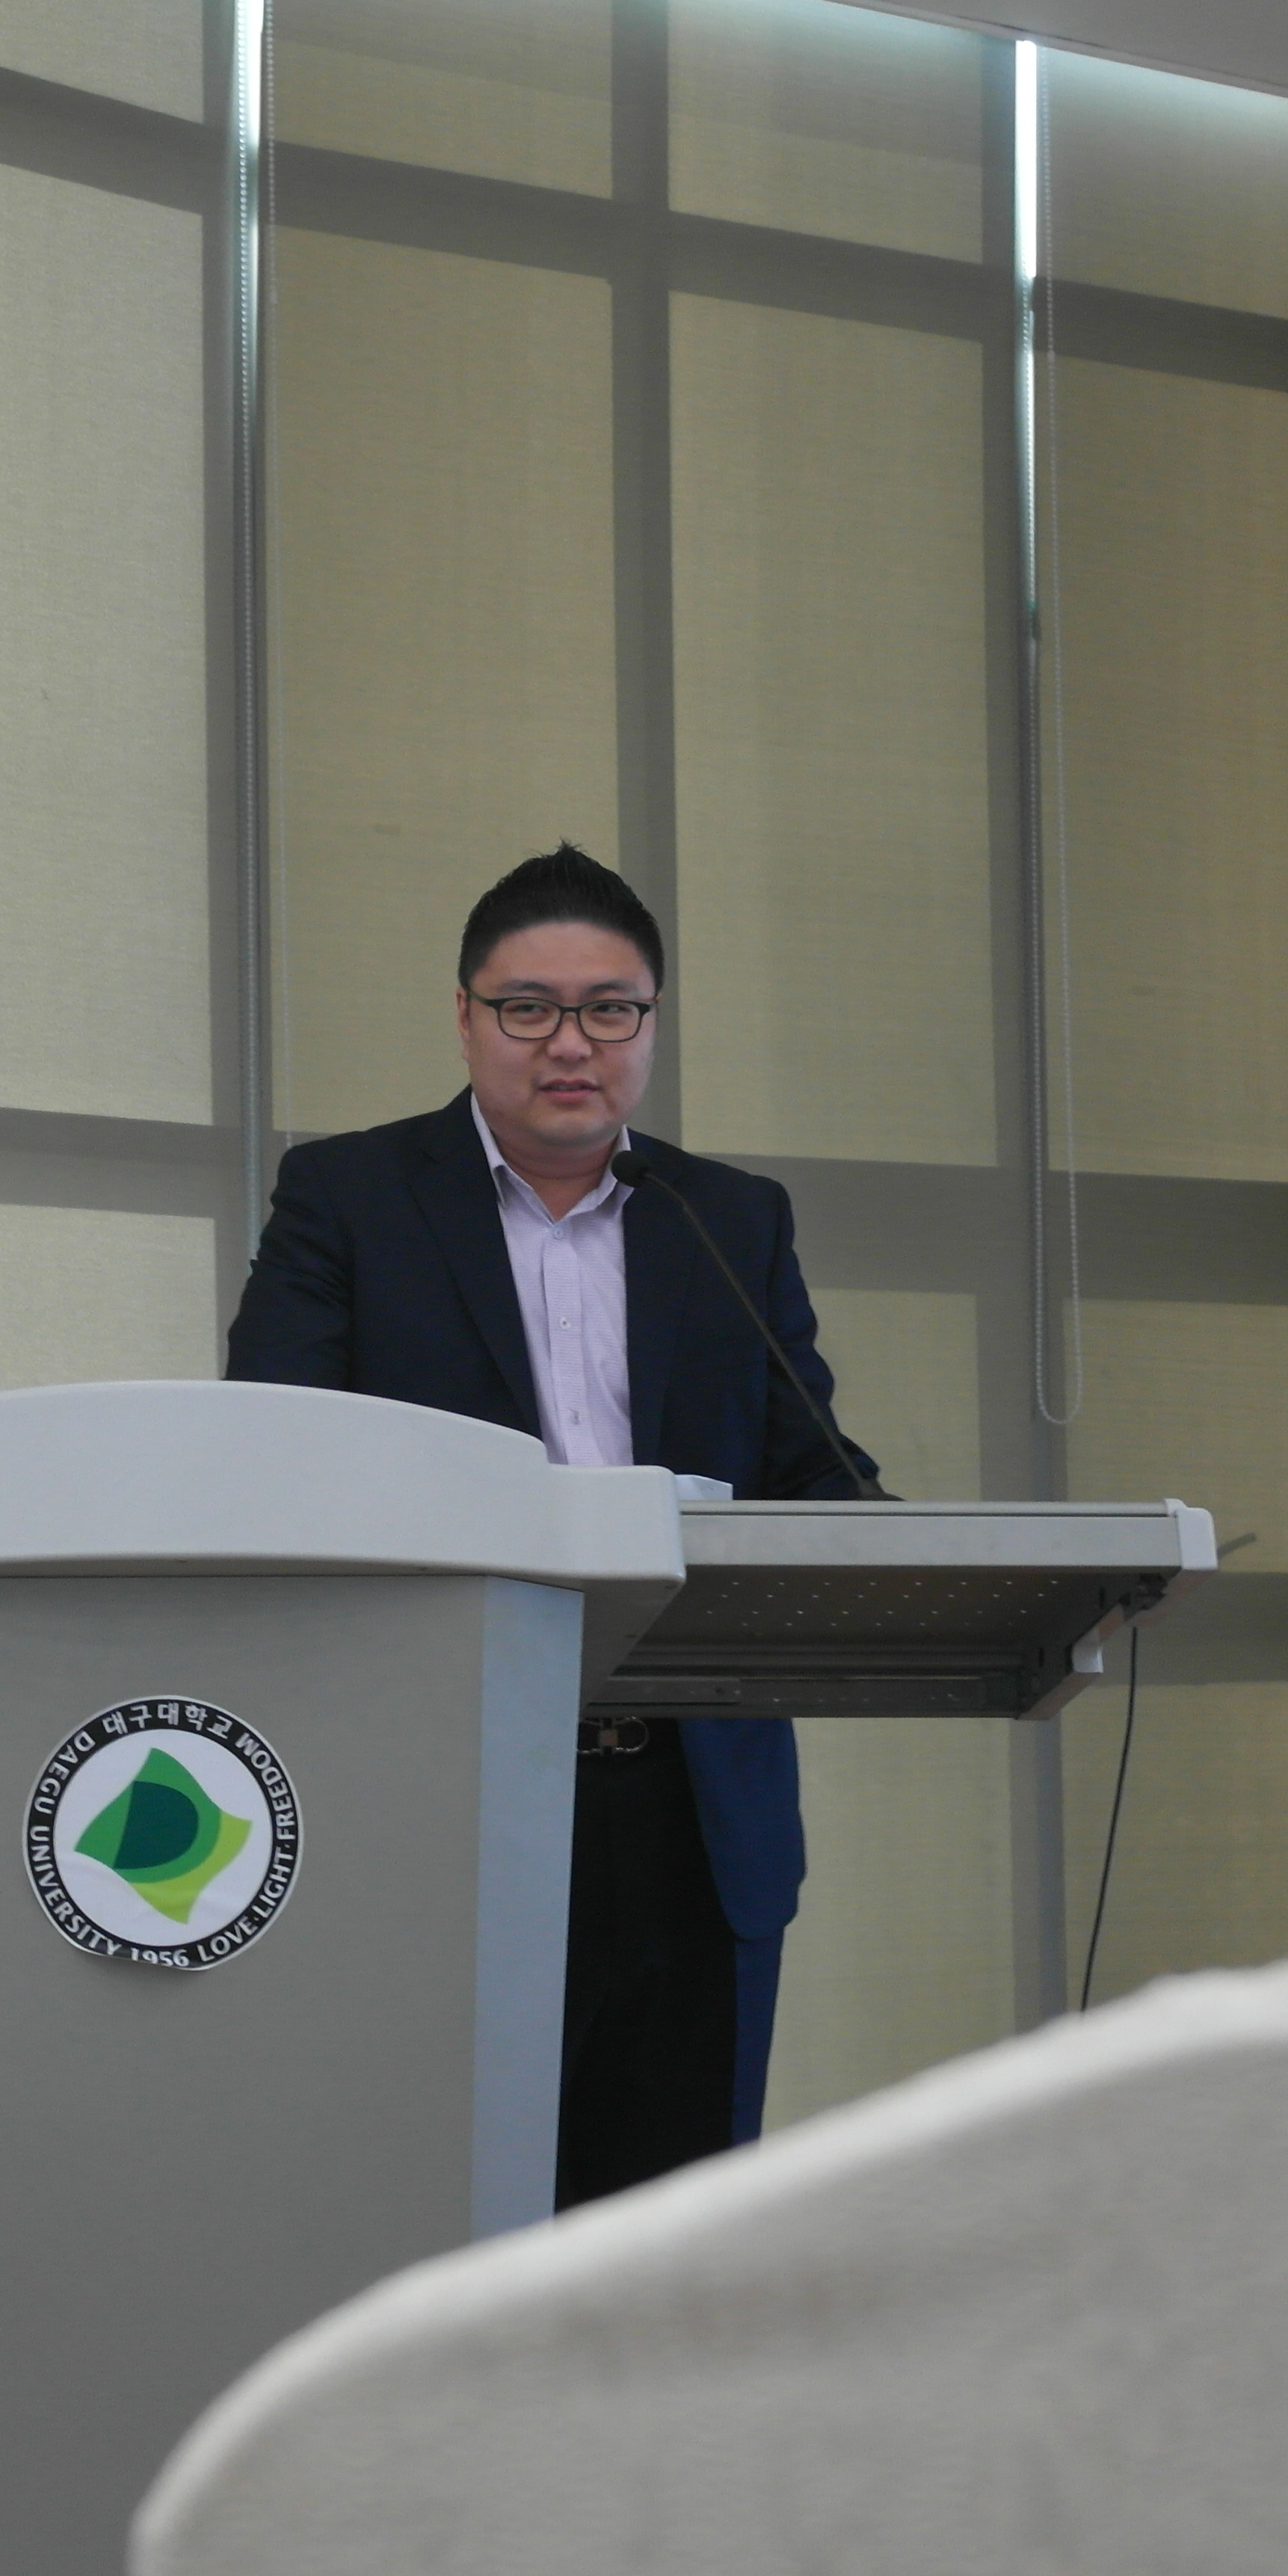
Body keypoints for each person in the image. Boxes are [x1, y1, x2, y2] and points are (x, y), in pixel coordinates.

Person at [225, 843, 881, 2207]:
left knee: (672, 2233)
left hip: (693, 1805)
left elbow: (813, 1471)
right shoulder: (351, 1199)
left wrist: (898, 1549)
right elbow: (273, 1464)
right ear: (466, 1019)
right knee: (452, 2208)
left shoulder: (729, 1218)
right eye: (528, 1008)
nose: (571, 1044)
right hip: (445, 1787)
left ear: (652, 1023)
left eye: (610, 1009)